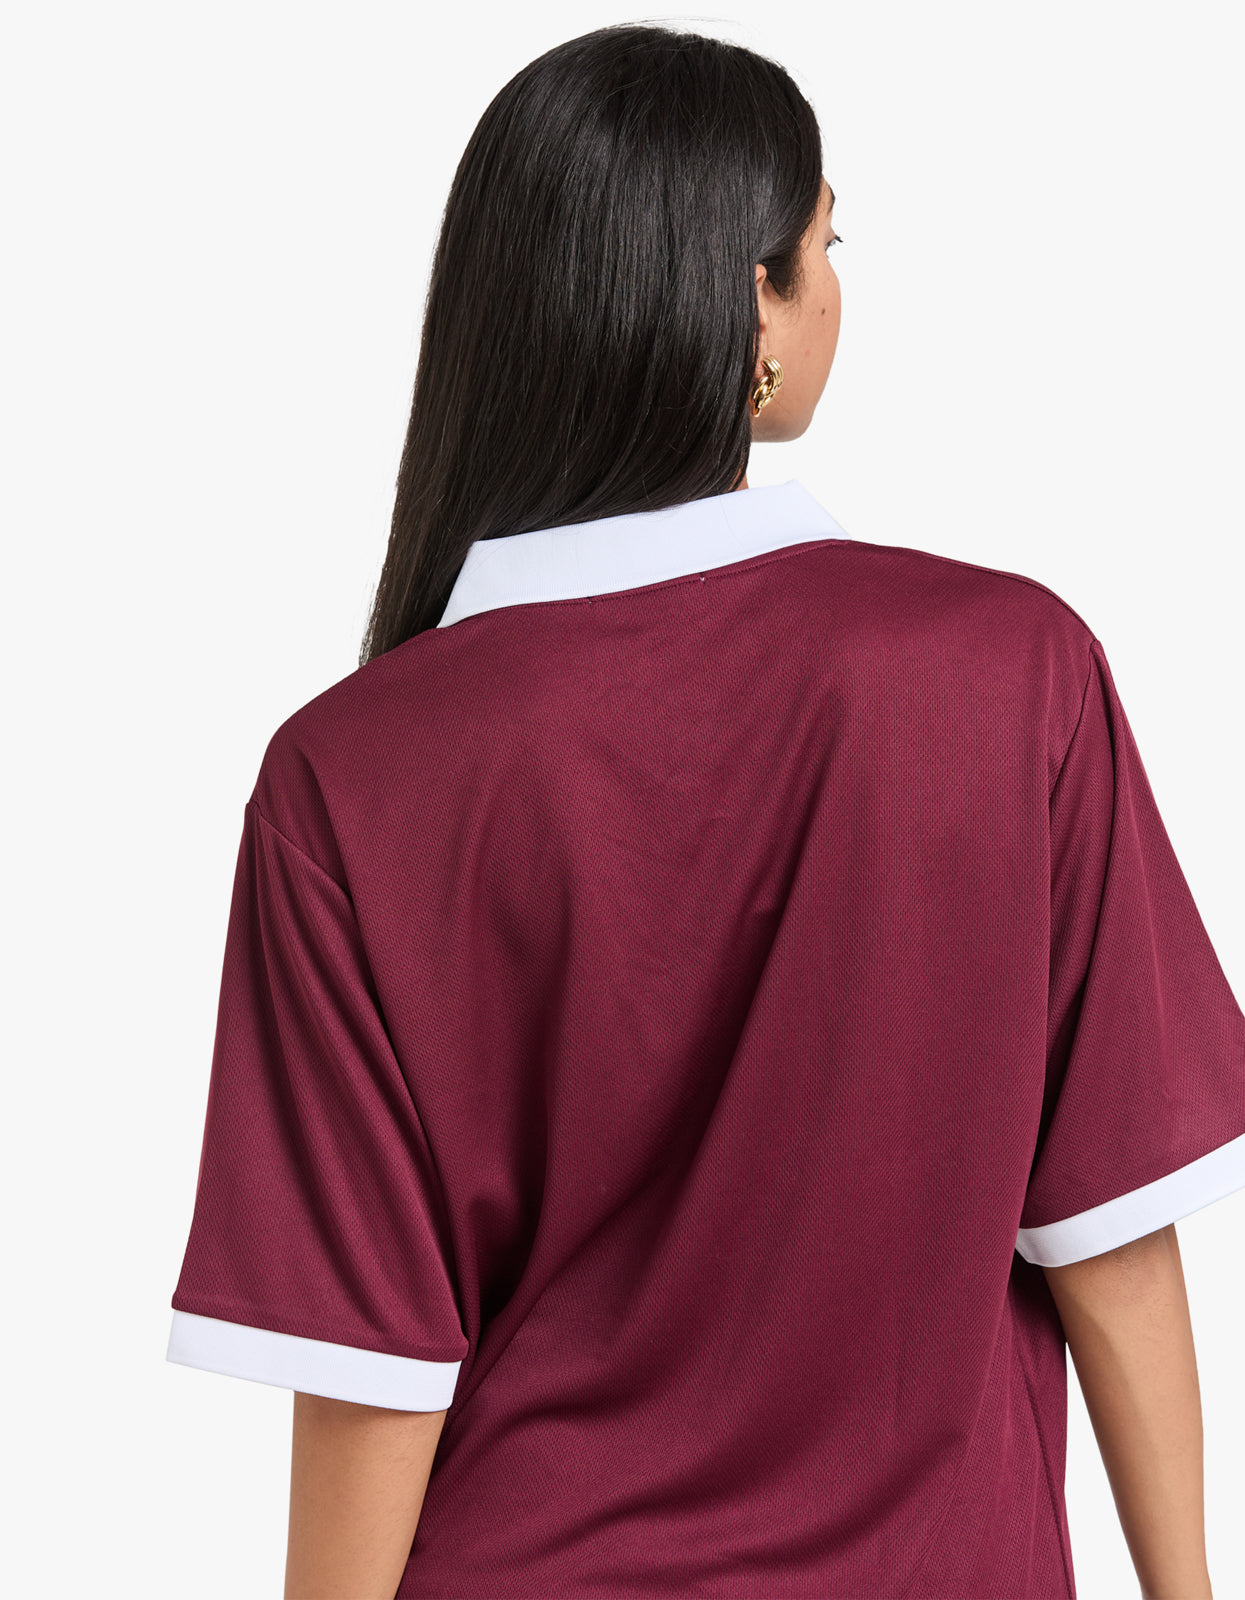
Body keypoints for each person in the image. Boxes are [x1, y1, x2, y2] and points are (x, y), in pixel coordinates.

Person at [165, 22, 1243, 1600]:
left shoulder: (346, 771)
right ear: (751, 303)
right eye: (826, 247)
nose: (837, 291)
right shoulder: (1012, 670)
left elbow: (373, 1371)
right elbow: (1107, 1234)